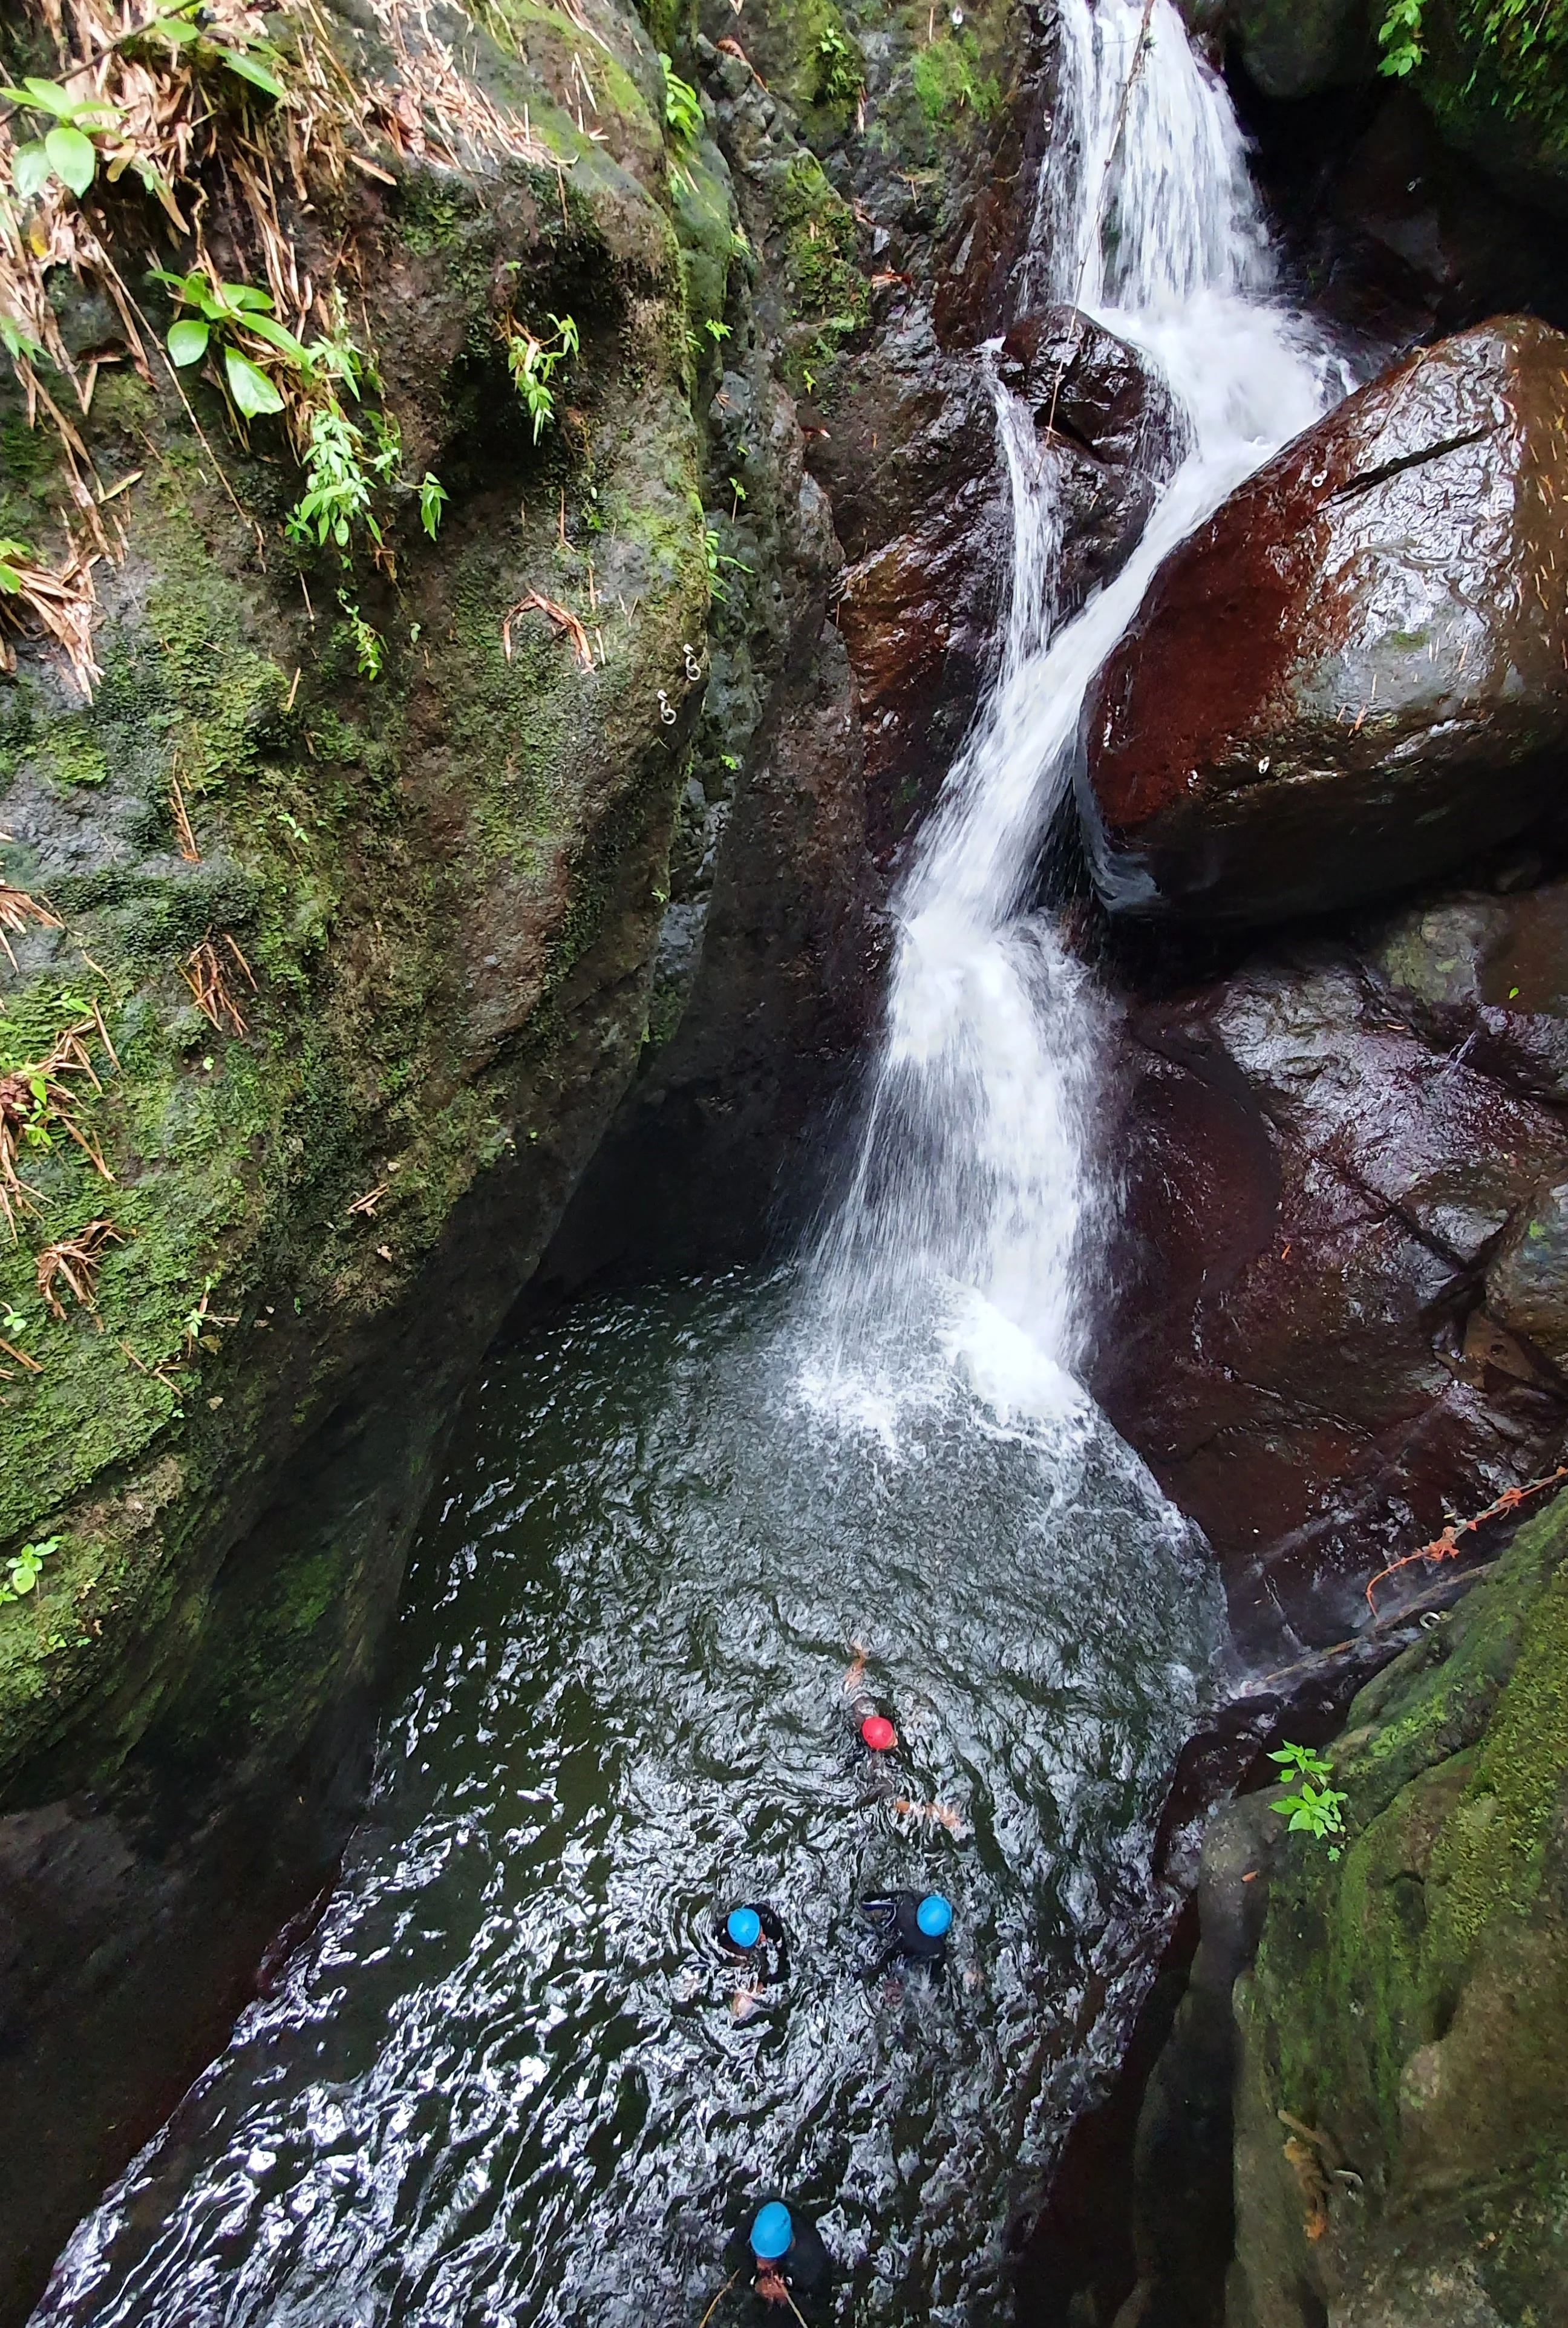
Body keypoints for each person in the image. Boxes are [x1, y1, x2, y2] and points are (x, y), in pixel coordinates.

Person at [736, 2200, 832, 2312]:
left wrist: (788, 2299)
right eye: (756, 2253)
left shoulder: (813, 2262)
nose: (760, 2264)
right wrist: (754, 2283)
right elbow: (733, 2255)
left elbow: (820, 2308)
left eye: (767, 2259)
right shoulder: (756, 2217)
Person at [858, 1889, 953, 1979]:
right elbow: (935, 1974)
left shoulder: (907, 1900)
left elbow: (867, 1902)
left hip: (891, 1930)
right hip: (901, 1949)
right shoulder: (935, 1947)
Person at [717, 1903, 788, 2016]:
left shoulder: (769, 1922)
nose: (764, 1938)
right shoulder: (723, 1934)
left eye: (760, 1933)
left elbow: (784, 1966)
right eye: (758, 1940)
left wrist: (763, 1984)